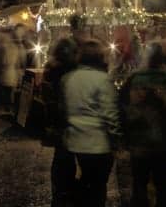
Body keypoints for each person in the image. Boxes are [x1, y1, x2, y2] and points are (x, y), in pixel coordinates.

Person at [121, 41, 166, 207]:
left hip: (139, 141)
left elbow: (125, 107)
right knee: (163, 185)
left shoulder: (135, 78)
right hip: (163, 142)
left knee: (140, 184)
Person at [62, 39, 121, 207]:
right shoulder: (102, 80)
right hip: (98, 142)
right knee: (98, 185)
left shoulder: (69, 79)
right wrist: (116, 138)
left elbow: (64, 109)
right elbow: (110, 113)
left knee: (87, 178)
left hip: (76, 141)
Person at [41, 37, 79, 207]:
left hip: (56, 122)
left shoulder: (50, 70)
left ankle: (60, 194)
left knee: (61, 158)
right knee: (69, 157)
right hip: (71, 120)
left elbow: (45, 94)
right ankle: (69, 192)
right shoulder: (74, 71)